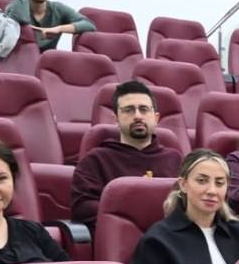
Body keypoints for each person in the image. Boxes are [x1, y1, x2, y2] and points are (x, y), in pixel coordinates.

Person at [70, 81, 182, 225]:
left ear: (156, 118)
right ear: (116, 119)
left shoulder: (175, 160)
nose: (138, 116)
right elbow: (82, 209)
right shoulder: (96, 160)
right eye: (129, 110)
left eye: (144, 109)